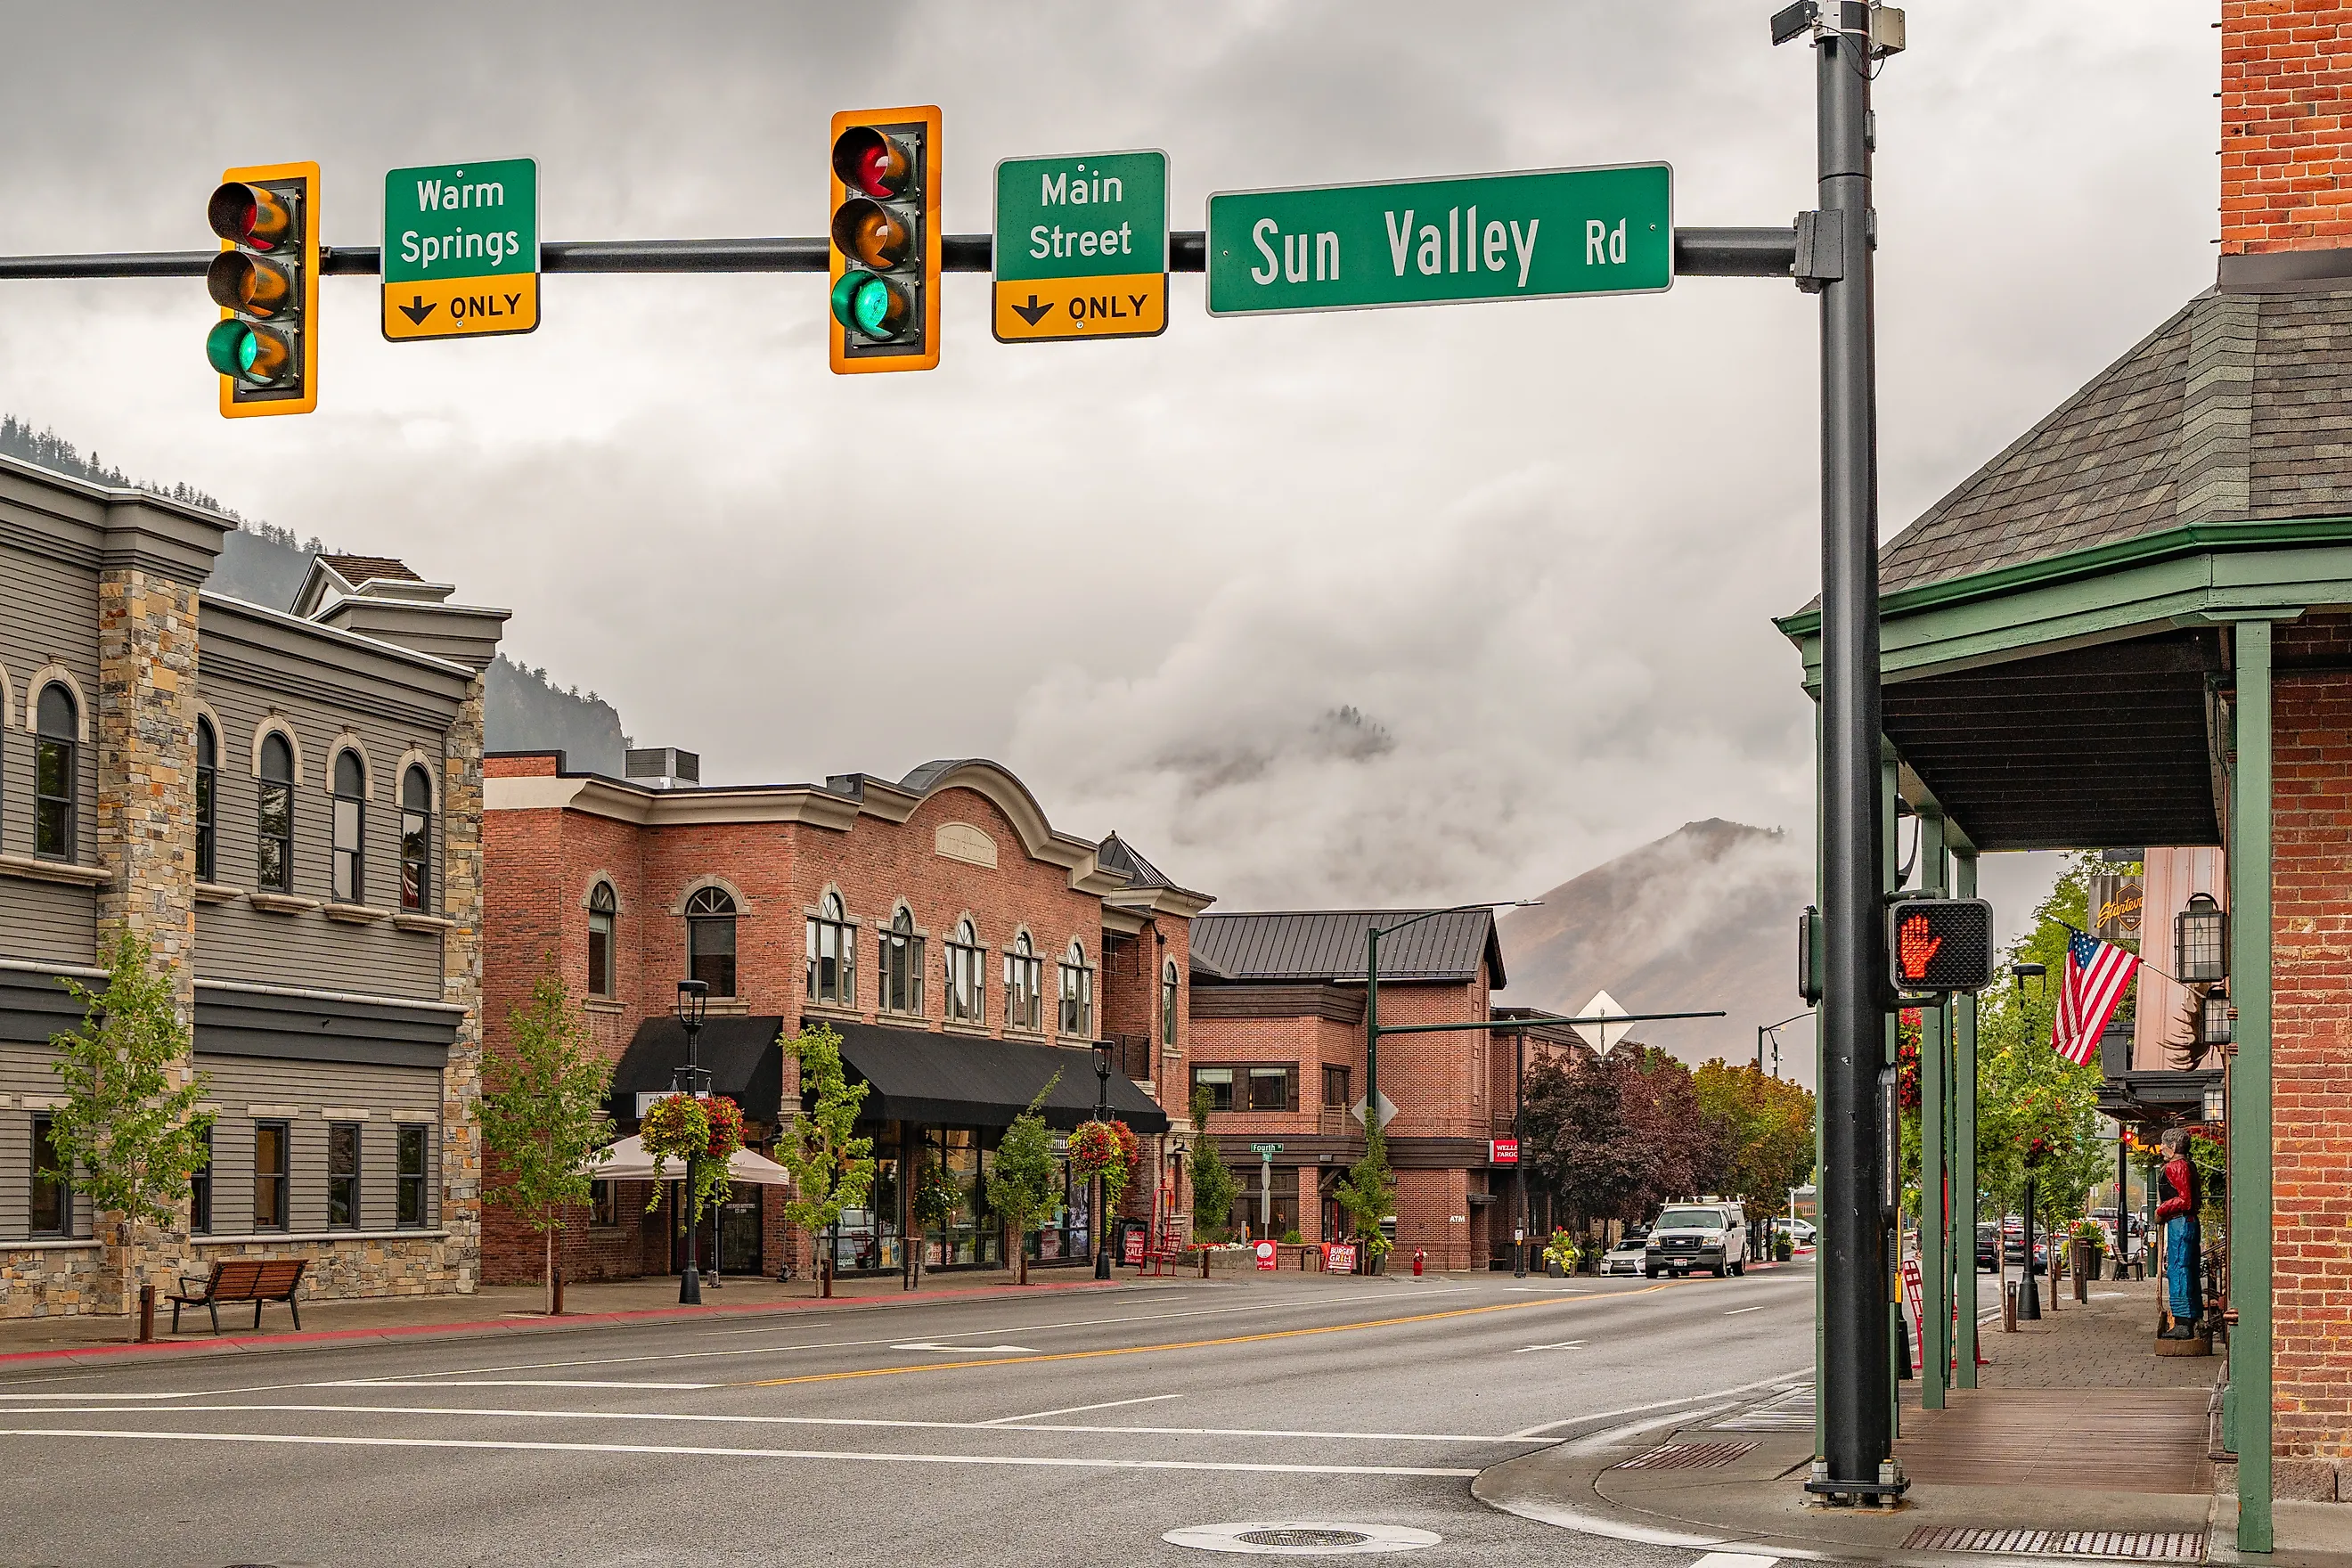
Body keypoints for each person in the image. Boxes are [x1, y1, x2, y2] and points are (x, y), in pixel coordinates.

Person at [2154, 1127, 2204, 1339]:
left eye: (2164, 1145)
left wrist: (2161, 1210)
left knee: (2178, 1268)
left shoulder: (2176, 1167)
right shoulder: (2189, 1166)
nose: (2161, 1149)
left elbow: (2185, 1200)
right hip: (2187, 1222)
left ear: (2173, 1147)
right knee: (2187, 1268)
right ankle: (2194, 1319)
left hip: (2180, 1223)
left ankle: (2183, 1320)